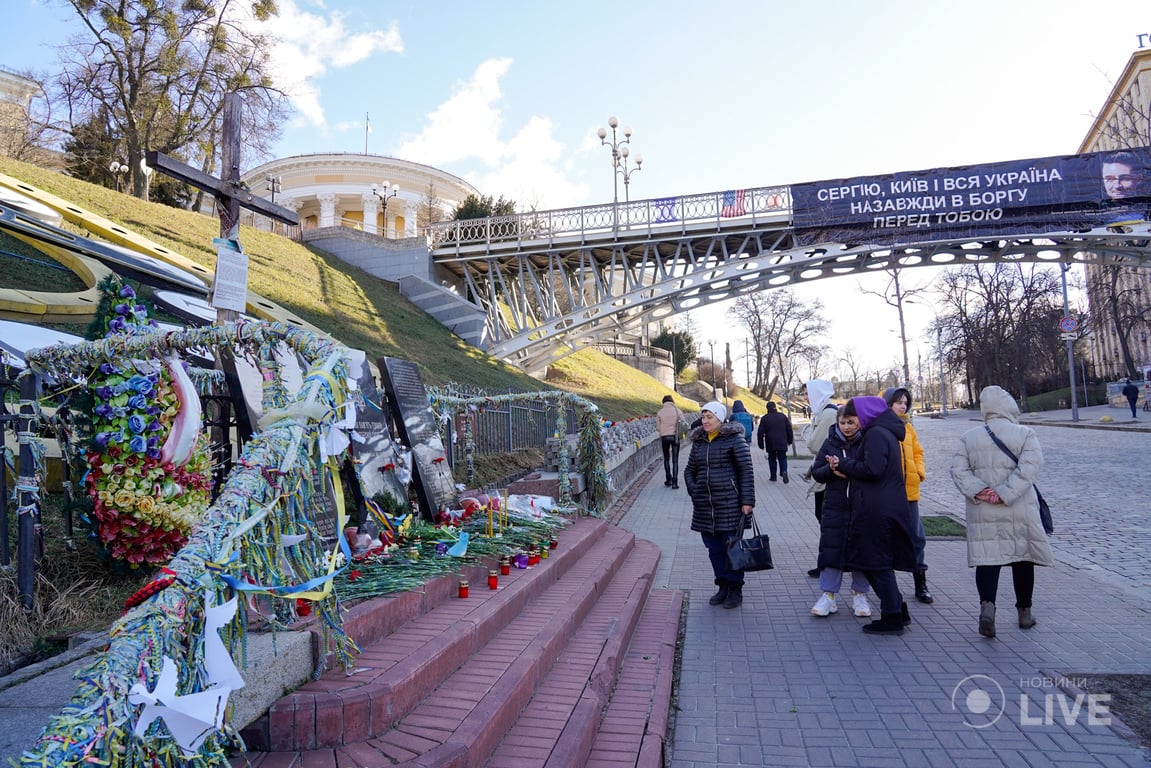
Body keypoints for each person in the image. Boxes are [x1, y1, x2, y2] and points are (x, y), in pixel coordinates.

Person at [950, 385, 1055, 638]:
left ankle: (987, 608)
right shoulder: (1025, 434)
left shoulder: (969, 437)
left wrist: (980, 491)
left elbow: (958, 470)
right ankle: (1024, 613)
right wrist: (1005, 492)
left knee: (988, 560)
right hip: (1018, 506)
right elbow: (1030, 468)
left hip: (983, 508)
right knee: (1023, 558)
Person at [830, 397, 918, 635]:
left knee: (876, 563)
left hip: (878, 508)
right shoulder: (881, 430)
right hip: (880, 505)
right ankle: (898, 609)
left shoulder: (877, 433)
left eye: (854, 417)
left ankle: (892, 618)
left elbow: (873, 469)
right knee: (872, 561)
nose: (853, 423)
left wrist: (845, 464)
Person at [684, 400, 756, 610]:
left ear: (720, 418)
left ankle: (735, 588)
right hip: (705, 507)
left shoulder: (734, 440)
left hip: (731, 506)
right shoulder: (699, 442)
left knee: (732, 548)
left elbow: (746, 471)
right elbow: (689, 470)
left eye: (709, 417)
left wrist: (747, 501)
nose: (705, 421)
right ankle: (722, 585)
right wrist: (694, 490)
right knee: (714, 550)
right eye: (703, 416)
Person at [809, 407, 872, 618]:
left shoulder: (867, 442)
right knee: (831, 551)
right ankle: (829, 596)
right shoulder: (830, 443)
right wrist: (830, 470)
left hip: (861, 506)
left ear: (860, 422)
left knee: (860, 552)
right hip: (835, 506)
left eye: (851, 422)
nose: (846, 427)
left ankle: (860, 595)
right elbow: (817, 472)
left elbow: (872, 470)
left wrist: (846, 467)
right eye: (843, 422)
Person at [882, 387, 933, 604]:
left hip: (910, 492)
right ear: (887, 404)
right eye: (898, 402)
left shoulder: (909, 428)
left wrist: (919, 472)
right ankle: (887, 586)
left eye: (905, 402)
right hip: (888, 494)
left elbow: (917, 452)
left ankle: (920, 583)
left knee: (917, 538)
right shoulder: (880, 428)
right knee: (888, 539)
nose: (903, 406)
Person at [803, 379, 839, 578]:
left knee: (826, 520)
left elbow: (813, 444)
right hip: (825, 472)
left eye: (808, 394)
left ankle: (828, 564)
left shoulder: (827, 414)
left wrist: (807, 430)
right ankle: (828, 562)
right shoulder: (823, 412)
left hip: (828, 475)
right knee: (825, 520)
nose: (806, 398)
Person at [756, 401, 794, 482]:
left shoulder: (765, 418)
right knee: (782, 457)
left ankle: (773, 476)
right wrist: (790, 440)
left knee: (772, 458)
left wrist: (761, 444)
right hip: (782, 441)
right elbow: (789, 429)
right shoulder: (782, 416)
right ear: (775, 407)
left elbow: (760, 433)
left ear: (767, 408)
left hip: (770, 442)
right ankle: (784, 471)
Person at [655, 394, 685, 488]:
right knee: (675, 460)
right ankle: (675, 483)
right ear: (672, 402)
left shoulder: (660, 412)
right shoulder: (677, 410)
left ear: (663, 402)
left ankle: (668, 479)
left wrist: (663, 430)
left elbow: (657, 427)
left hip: (664, 437)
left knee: (666, 458)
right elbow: (683, 421)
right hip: (675, 436)